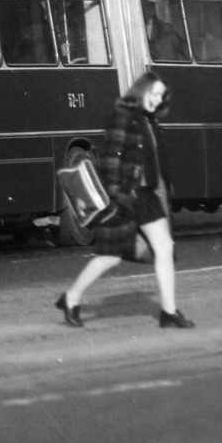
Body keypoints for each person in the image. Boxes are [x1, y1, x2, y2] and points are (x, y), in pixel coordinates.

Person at [56, 70, 193, 329]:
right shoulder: (124, 115)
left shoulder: (148, 119)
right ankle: (71, 298)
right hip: (127, 196)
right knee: (110, 256)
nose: (156, 100)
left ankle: (169, 311)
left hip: (147, 195)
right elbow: (111, 159)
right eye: (153, 94)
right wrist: (117, 195)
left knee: (164, 249)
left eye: (160, 96)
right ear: (142, 90)